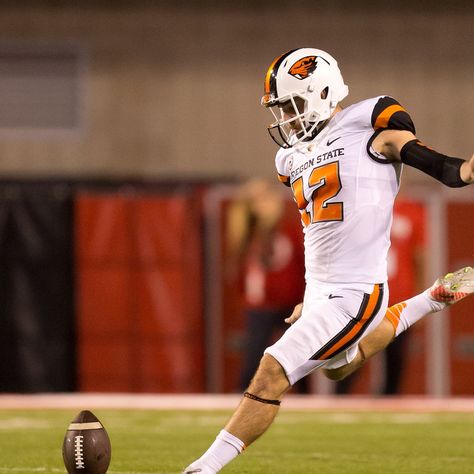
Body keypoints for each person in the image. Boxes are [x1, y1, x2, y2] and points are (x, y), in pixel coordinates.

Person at [182, 48, 474, 473]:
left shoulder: (370, 125)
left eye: (294, 104)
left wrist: (465, 170)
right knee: (339, 368)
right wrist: (311, 296)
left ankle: (202, 469)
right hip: (320, 288)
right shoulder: (292, 158)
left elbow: (443, 168)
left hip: (357, 291)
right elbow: (319, 233)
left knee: (272, 370)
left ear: (321, 91)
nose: (288, 117)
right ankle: (431, 299)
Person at [225, 179, 306, 391]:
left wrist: (305, 299)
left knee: (302, 360)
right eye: (254, 201)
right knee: (254, 358)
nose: (261, 205)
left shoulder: (289, 226)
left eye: (264, 198)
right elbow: (243, 270)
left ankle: (307, 401)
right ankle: (244, 400)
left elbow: (302, 263)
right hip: (260, 306)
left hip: (291, 303)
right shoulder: (249, 231)